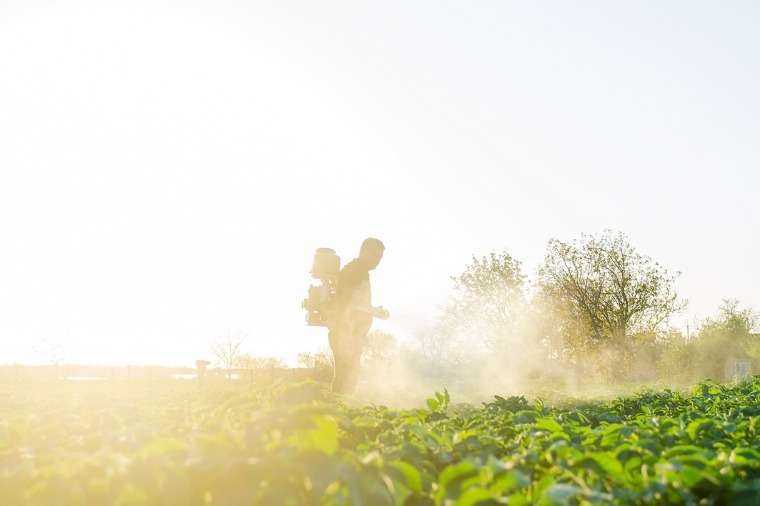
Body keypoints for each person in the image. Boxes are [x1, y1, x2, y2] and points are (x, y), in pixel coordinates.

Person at [328, 237, 387, 394]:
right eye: (375, 255)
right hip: (345, 333)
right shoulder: (353, 271)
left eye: (380, 257)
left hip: (353, 335)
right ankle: (337, 413)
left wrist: (373, 311)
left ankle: (340, 412)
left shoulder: (361, 272)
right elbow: (347, 303)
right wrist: (375, 311)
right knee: (345, 379)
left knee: (349, 378)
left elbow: (357, 303)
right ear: (364, 252)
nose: (378, 260)